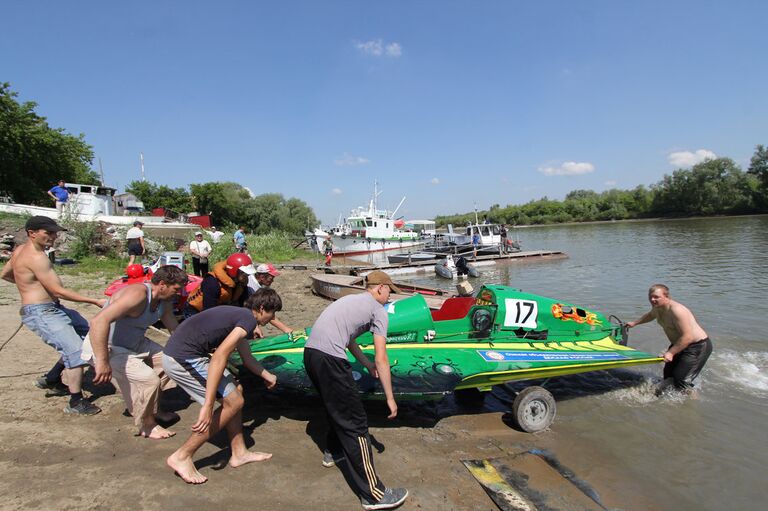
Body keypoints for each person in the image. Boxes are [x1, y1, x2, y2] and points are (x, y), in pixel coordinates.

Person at [303, 270, 408, 510]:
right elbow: (383, 358)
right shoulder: (378, 310)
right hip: (329, 359)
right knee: (356, 421)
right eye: (389, 290)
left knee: (336, 406)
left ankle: (334, 450)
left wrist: (365, 364)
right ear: (380, 288)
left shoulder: (350, 300)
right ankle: (374, 495)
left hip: (311, 355)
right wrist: (390, 397)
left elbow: (349, 339)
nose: (389, 296)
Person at [162, 288, 282, 484]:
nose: (273, 318)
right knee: (233, 401)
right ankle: (182, 456)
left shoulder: (242, 316)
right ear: (262, 308)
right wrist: (208, 405)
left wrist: (268, 376)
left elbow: (247, 358)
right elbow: (219, 357)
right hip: (182, 358)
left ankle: (239, 452)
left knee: (237, 393)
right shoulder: (248, 320)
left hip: (187, 354)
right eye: (272, 313)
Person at [0, 216, 105, 415]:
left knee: (89, 335)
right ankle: (75, 402)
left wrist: (29, 286)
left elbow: (5, 274)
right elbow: (59, 291)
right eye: (48, 232)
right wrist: (95, 301)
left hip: (53, 308)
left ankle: (52, 378)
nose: (54, 236)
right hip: (42, 312)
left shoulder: (20, 250)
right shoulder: (37, 257)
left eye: (55, 232)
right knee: (75, 351)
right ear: (32, 233)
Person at [82, 265, 188, 438]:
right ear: (162, 284)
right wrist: (102, 361)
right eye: (176, 289)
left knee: (170, 361)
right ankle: (147, 425)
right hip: (108, 346)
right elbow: (98, 321)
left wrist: (192, 350)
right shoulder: (138, 295)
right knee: (149, 380)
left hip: (135, 342)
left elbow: (174, 329)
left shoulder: (164, 301)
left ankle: (151, 409)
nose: (179, 293)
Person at [627, 284, 713, 393]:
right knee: (668, 377)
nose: (652, 300)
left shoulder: (677, 310)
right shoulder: (658, 308)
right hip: (679, 344)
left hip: (697, 346)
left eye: (656, 297)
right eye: (650, 297)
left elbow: (688, 336)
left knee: (681, 380)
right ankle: (665, 401)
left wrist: (671, 353)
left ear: (667, 296)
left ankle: (691, 403)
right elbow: (650, 315)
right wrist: (634, 323)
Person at [184, 253, 254, 316]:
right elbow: (208, 313)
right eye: (245, 273)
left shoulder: (241, 282)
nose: (247, 276)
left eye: (248, 274)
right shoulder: (212, 282)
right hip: (196, 311)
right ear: (234, 271)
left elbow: (243, 303)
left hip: (219, 308)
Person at [247, 263, 293, 335]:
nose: (272, 281)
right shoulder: (252, 287)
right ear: (262, 277)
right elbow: (265, 311)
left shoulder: (256, 283)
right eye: (271, 278)